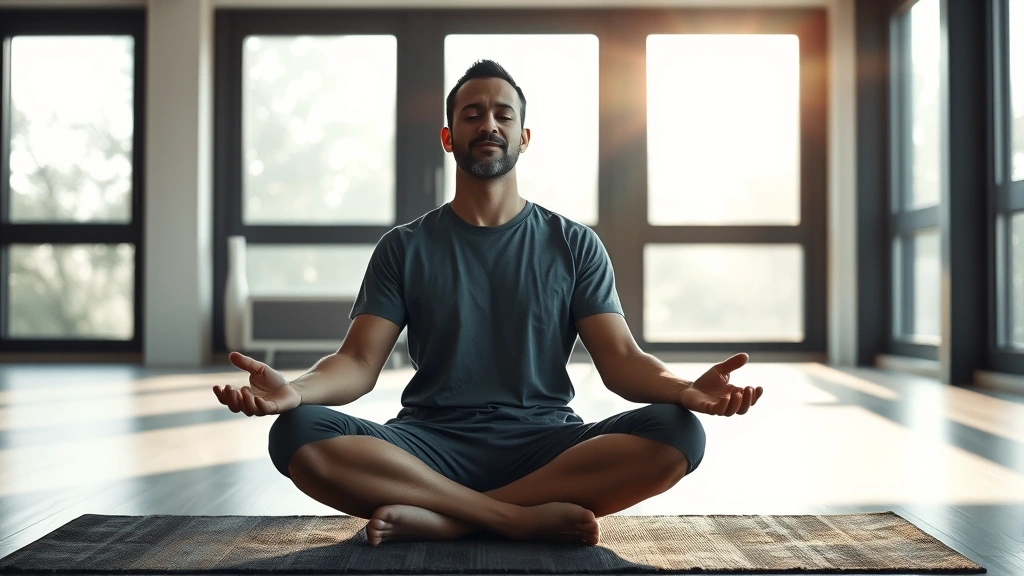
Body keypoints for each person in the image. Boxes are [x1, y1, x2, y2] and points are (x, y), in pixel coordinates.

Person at [213, 59, 763, 547]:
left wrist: (684, 390)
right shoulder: (404, 247)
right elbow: (357, 364)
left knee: (679, 432)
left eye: (503, 114)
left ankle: (450, 518)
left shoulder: (573, 243)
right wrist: (295, 391)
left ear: (524, 137)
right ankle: (512, 519)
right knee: (297, 433)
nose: (489, 124)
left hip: (546, 443)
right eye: (473, 114)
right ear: (449, 138)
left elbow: (621, 360)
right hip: (427, 444)